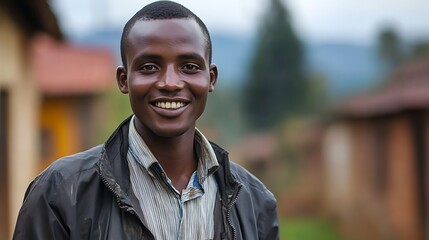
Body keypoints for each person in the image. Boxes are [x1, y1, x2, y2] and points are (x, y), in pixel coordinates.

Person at [13, 1, 279, 239]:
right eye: (149, 67)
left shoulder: (255, 202)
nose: (170, 83)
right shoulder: (60, 193)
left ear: (210, 79)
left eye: (189, 67)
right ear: (124, 80)